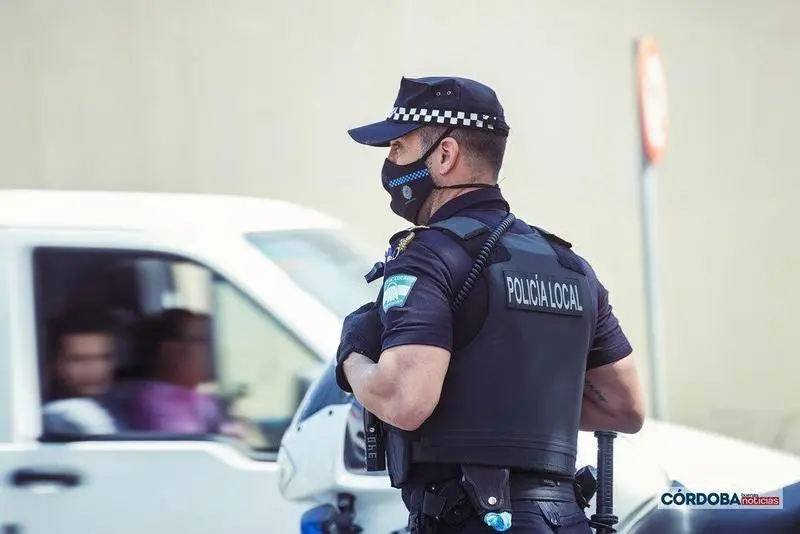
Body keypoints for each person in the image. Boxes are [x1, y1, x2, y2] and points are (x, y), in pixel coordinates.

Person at [335, 76, 645, 533]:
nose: (389, 165)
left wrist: (353, 358)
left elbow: (404, 400)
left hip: (466, 519)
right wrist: (512, 404)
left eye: (397, 148)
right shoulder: (569, 265)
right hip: (565, 520)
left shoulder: (429, 257)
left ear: (444, 156)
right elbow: (625, 408)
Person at [131, 308, 242, 436]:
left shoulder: (197, 396)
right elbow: (192, 445)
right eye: (205, 340)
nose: (214, 349)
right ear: (171, 350)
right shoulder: (154, 402)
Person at [42, 308, 126, 433]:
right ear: (53, 364)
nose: (92, 369)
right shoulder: (36, 421)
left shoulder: (134, 408)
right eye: (77, 359)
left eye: (103, 358)